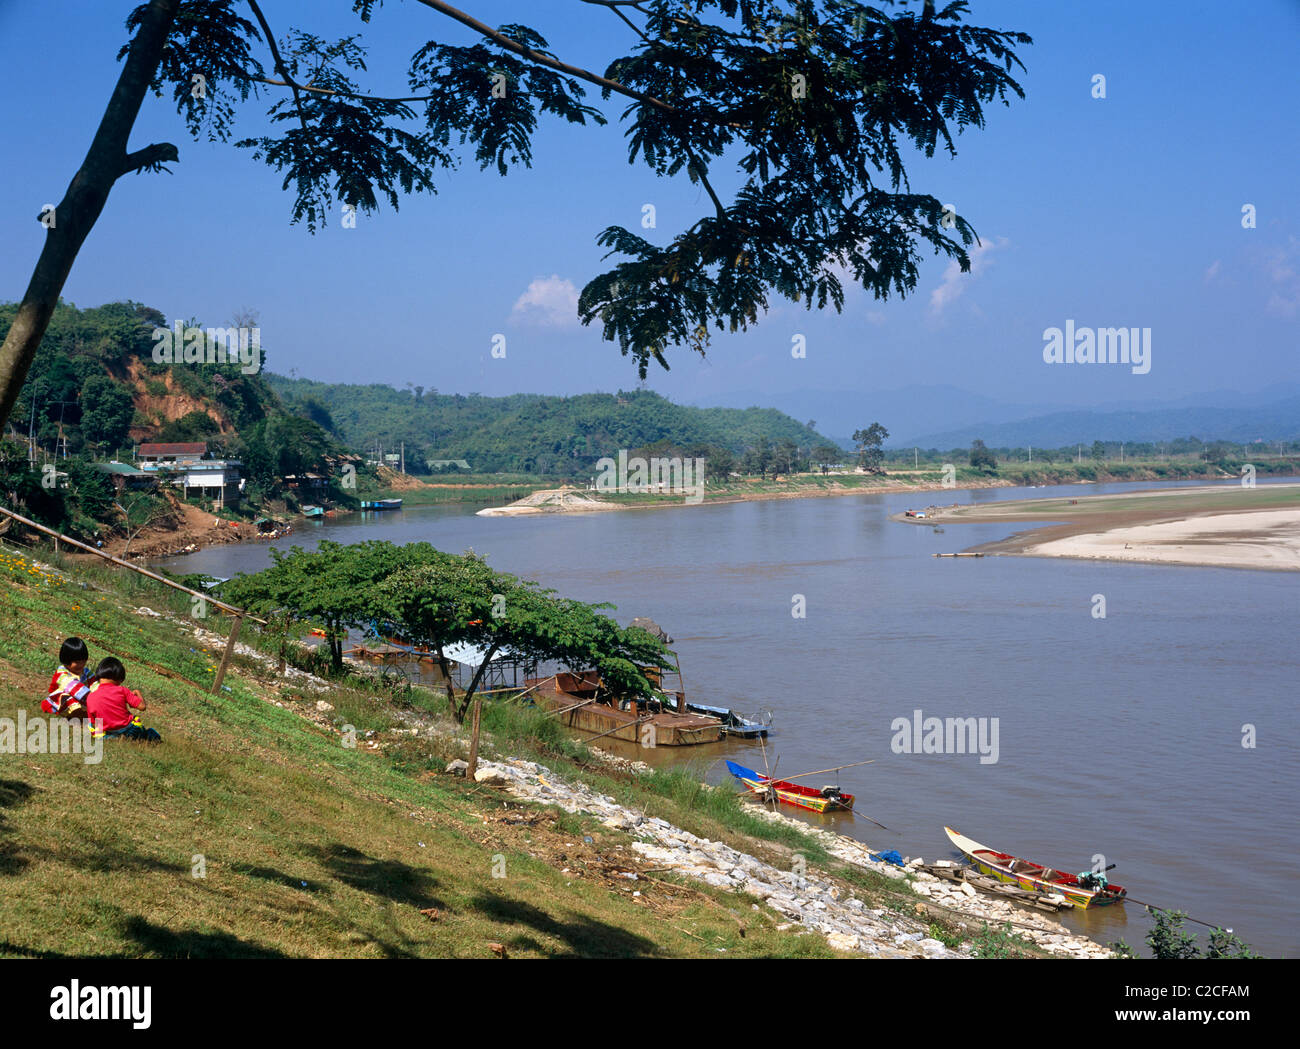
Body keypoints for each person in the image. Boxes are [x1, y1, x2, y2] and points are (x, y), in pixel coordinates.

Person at [86, 657, 162, 742]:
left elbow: (93, 722)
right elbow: (142, 707)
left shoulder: (90, 697)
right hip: (130, 730)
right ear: (120, 678)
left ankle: (110, 737)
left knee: (90, 725)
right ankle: (151, 737)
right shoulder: (122, 690)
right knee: (146, 730)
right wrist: (138, 693)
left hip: (108, 732)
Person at [44, 637, 93, 718]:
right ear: (67, 660)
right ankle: (76, 714)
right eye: (77, 662)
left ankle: (83, 713)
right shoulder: (62, 673)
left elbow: (94, 683)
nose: (81, 665)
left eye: (83, 661)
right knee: (66, 697)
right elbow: (72, 685)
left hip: (83, 699)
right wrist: (90, 696)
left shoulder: (86, 672)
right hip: (60, 701)